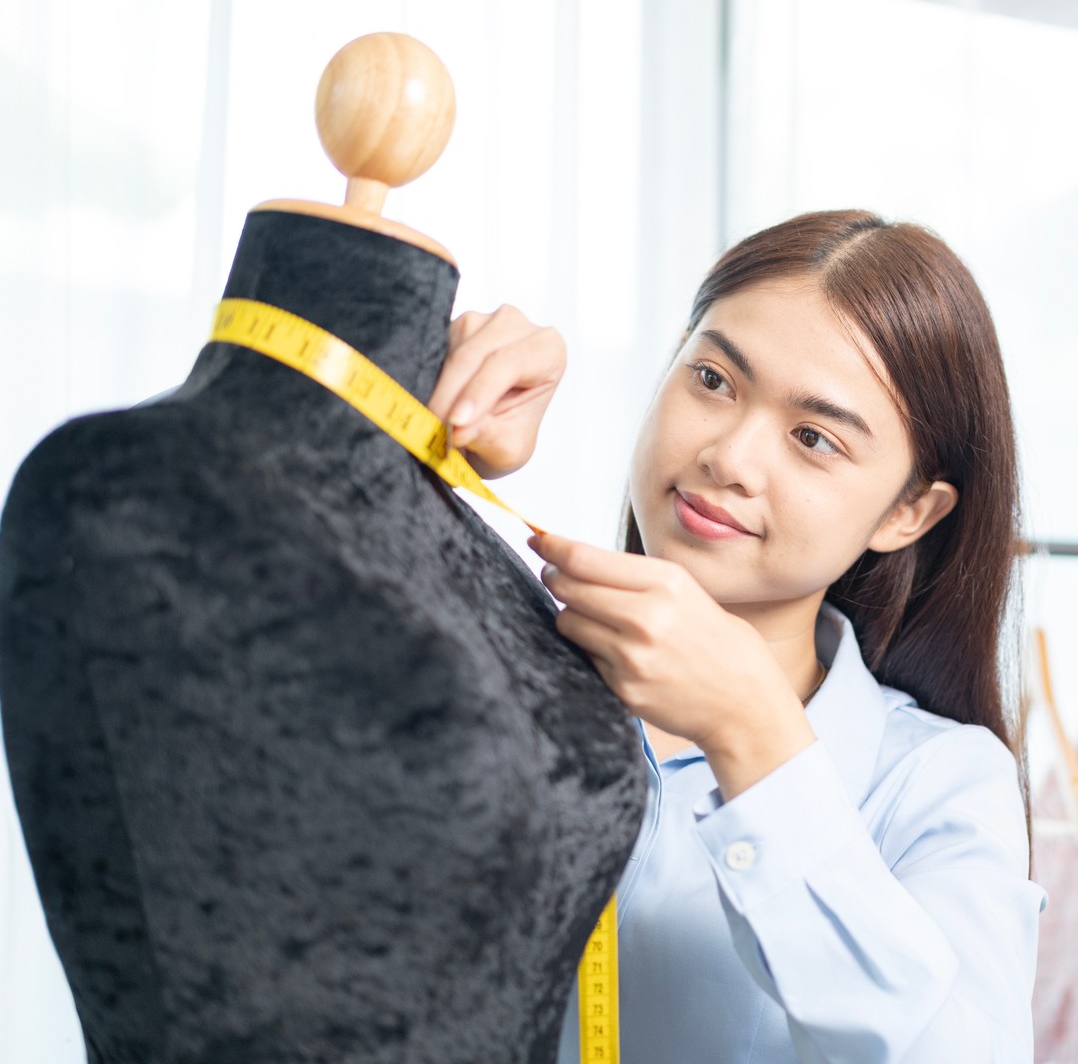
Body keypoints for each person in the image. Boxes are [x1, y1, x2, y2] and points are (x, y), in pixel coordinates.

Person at [427, 208, 1046, 1063]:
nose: (731, 455)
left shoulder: (938, 782)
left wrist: (754, 736)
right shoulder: (478, 662)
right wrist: (417, 444)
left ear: (908, 511)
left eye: (813, 438)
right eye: (713, 379)